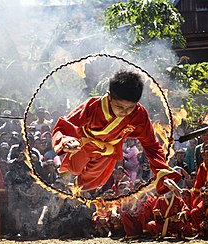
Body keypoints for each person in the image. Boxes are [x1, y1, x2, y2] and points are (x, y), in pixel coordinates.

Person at [52, 71, 181, 193]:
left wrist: (163, 174)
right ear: (109, 97)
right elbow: (65, 124)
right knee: (74, 167)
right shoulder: (93, 106)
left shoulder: (139, 115)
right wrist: (66, 141)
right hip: (84, 144)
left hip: (109, 150)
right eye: (120, 107)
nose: (124, 112)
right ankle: (65, 170)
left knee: (92, 181)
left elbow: (151, 145)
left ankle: (74, 187)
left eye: (130, 107)